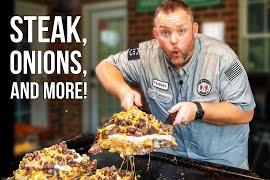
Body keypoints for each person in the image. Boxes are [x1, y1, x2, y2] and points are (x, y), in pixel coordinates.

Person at [95, 0, 255, 170]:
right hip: (171, 158)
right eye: (165, 33)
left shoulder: (222, 57)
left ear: (194, 30)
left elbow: (245, 112)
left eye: (181, 31)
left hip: (222, 160)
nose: (174, 40)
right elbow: (104, 66)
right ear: (155, 35)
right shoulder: (146, 55)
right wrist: (123, 90)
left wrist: (198, 110)